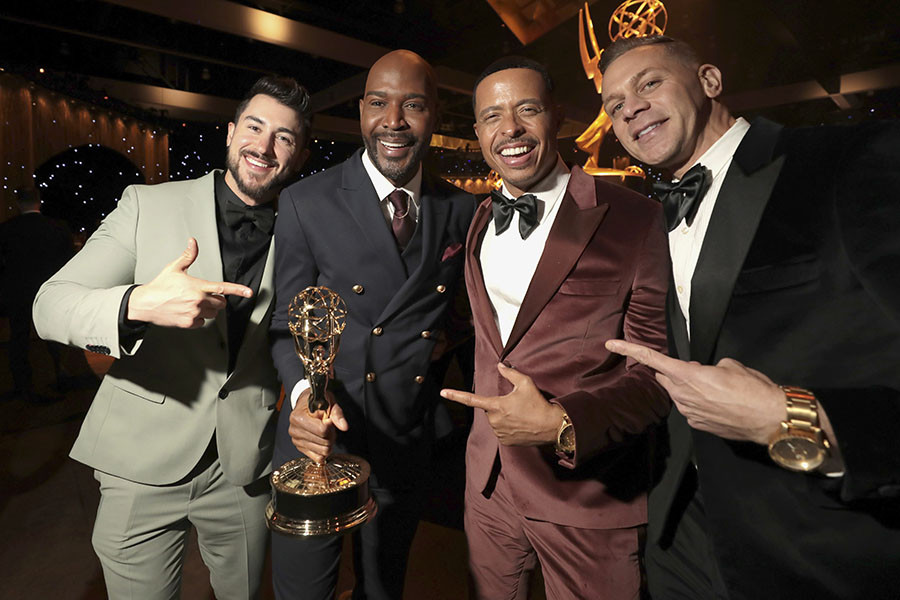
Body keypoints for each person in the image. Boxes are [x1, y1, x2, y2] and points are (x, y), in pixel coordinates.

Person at [599, 35, 900, 599]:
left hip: (815, 555)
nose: (630, 107)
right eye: (614, 105)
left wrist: (787, 417)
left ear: (709, 81)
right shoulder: (642, 221)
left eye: (649, 83)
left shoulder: (849, 160)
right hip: (678, 543)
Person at [32, 75, 312, 599]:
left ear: (295, 157)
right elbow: (49, 305)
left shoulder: (303, 231)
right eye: (254, 127)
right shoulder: (146, 204)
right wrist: (138, 303)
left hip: (243, 468)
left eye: (285, 138)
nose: (265, 146)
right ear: (230, 134)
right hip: (139, 461)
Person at [440, 56, 670, 599]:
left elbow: (656, 372)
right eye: (493, 116)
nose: (510, 129)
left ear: (557, 117)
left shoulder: (636, 218)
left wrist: (565, 424)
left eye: (527, 109)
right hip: (488, 485)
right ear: (477, 131)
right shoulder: (478, 218)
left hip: (587, 493)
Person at [269, 49, 475, 600]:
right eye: (379, 103)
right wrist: (301, 401)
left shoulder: (463, 210)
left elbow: (468, 315)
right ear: (361, 110)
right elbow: (283, 324)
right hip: (318, 437)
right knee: (304, 589)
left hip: (401, 438)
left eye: (414, 105)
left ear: (436, 115)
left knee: (384, 588)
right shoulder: (304, 202)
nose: (394, 121)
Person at [0, 187, 73, 401]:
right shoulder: (58, 228)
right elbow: (68, 261)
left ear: (18, 202)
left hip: (18, 291)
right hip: (48, 291)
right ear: (39, 202)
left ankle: (22, 385)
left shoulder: (6, 229)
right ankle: (61, 376)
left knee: (19, 339)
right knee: (53, 336)